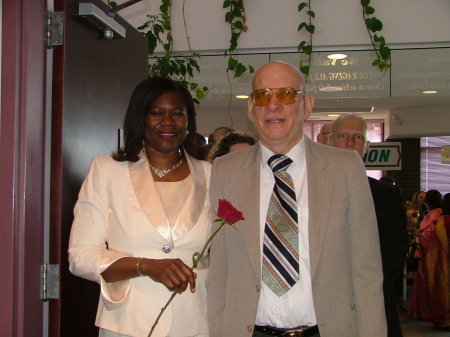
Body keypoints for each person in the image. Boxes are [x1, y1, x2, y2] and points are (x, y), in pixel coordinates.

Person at [207, 61, 386, 337]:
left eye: (287, 94)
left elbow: (367, 272)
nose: (274, 105)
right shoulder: (225, 170)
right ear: (251, 108)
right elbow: (219, 270)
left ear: (308, 105)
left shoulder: (345, 168)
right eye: (263, 95)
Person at [68, 77, 211, 337]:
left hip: (195, 325)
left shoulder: (211, 175)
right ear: (140, 118)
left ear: (188, 121)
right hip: (127, 325)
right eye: (156, 113)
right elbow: (80, 256)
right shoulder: (107, 171)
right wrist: (147, 265)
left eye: (177, 114)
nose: (167, 122)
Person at [330, 113, 408, 337]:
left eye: (357, 137)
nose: (350, 143)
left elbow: (394, 253)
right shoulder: (310, 192)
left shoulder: (387, 196)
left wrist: (362, 290)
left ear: (367, 145)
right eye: (343, 135)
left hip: (373, 302)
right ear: (330, 141)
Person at [408, 190, 447, 329]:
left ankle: (425, 310)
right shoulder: (437, 214)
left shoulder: (435, 215)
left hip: (430, 253)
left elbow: (429, 233)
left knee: (429, 281)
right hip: (431, 252)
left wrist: (419, 235)